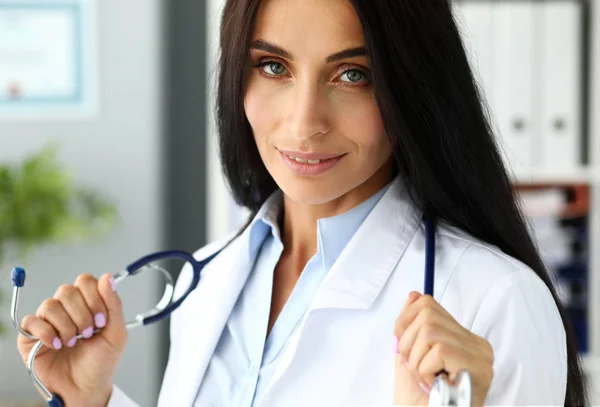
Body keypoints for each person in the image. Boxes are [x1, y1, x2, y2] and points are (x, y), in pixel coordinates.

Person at [17, 0, 587, 406]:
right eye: (273, 66)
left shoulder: (494, 303)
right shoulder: (211, 279)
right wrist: (90, 399)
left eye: (352, 74)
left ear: (411, 86)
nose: (304, 122)